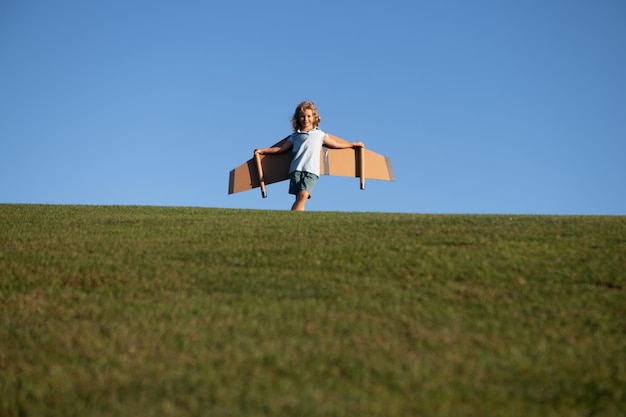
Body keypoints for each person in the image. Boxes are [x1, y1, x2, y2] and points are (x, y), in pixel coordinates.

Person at [255, 101, 364, 211]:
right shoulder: (295, 136)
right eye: (302, 116)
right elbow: (281, 149)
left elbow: (335, 144)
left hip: (312, 171)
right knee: (300, 200)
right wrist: (263, 150)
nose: (305, 119)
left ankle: (289, 220)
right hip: (296, 170)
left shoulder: (320, 134)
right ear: (298, 118)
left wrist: (353, 144)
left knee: (303, 196)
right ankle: (299, 224)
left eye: (308, 116)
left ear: (314, 117)